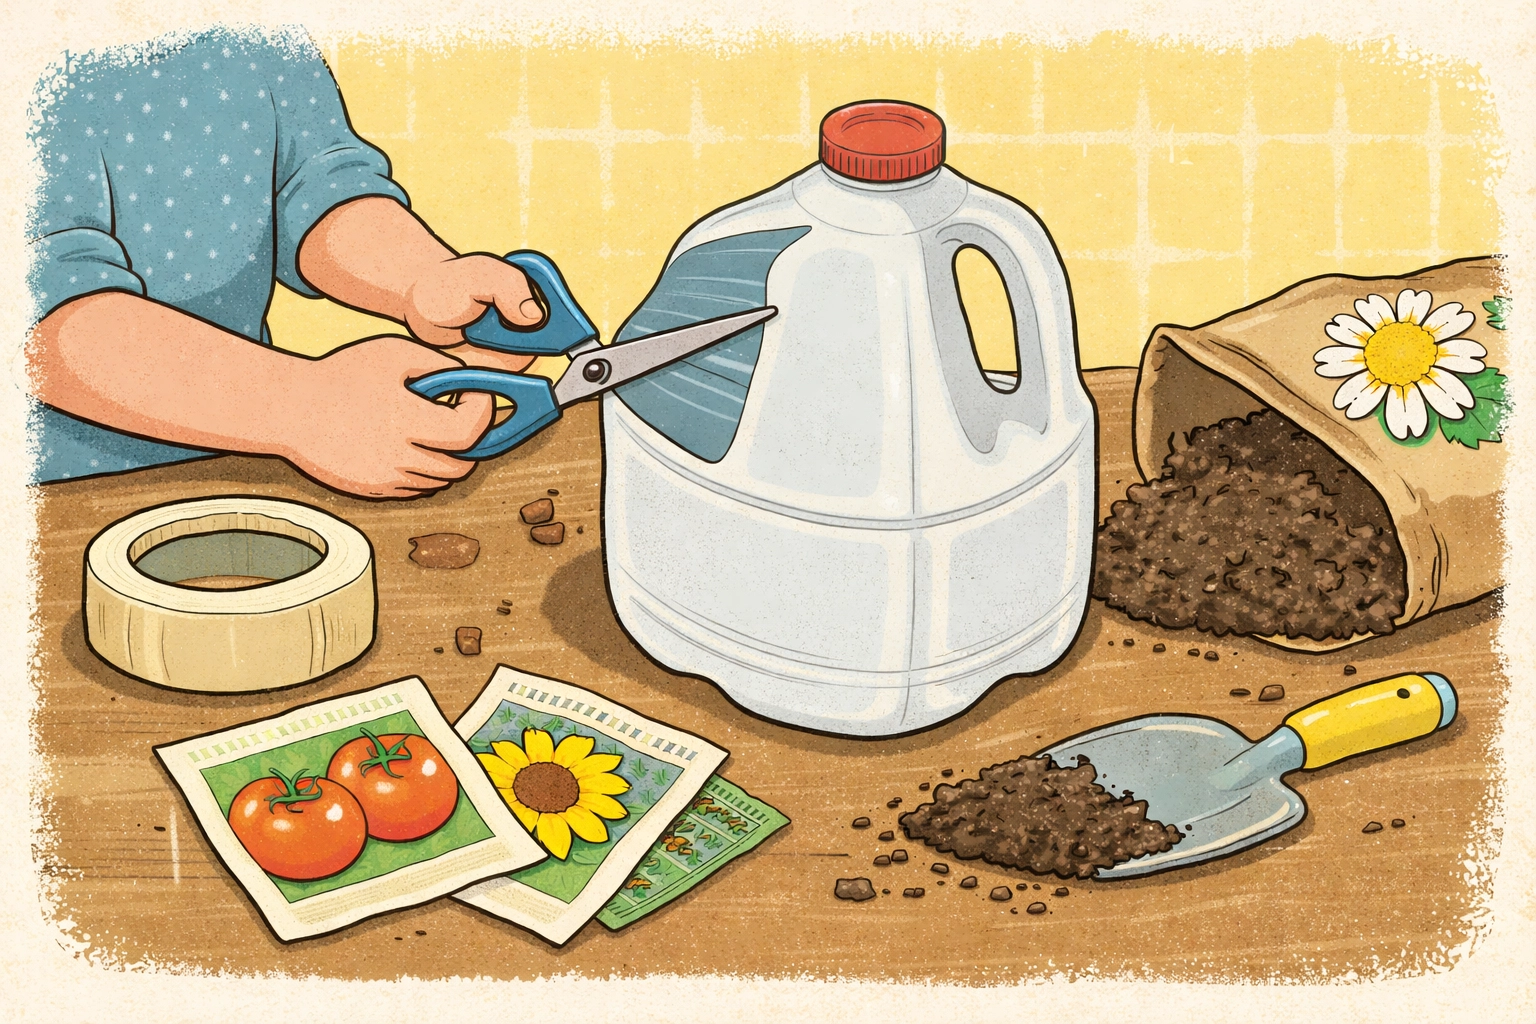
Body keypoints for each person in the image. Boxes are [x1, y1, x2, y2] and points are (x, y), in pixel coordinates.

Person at [26, 27, 541, 499]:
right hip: (54, 500)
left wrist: (421, 280)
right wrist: (302, 407)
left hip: (248, 464)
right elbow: (39, 316)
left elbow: (315, 188)